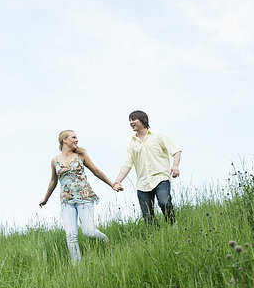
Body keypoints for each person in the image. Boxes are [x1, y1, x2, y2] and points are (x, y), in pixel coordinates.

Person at [39, 130, 120, 264]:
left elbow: (96, 171)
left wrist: (112, 184)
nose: (77, 140)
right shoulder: (55, 160)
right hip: (66, 201)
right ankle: (77, 267)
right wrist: (45, 198)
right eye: (74, 137)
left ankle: (104, 239)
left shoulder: (81, 155)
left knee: (88, 231)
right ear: (65, 140)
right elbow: (53, 181)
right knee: (71, 236)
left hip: (84, 197)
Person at [114, 110, 181, 224]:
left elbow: (176, 151)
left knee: (164, 202)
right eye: (130, 120)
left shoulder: (159, 136)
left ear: (142, 120)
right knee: (147, 216)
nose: (131, 122)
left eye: (133, 119)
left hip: (160, 178)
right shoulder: (132, 144)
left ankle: (172, 226)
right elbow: (127, 164)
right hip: (143, 183)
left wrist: (175, 166)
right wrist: (118, 181)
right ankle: (155, 235)